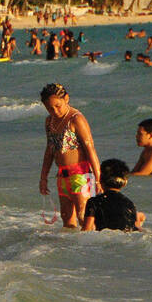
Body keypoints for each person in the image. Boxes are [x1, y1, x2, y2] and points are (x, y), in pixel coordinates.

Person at [39, 83, 102, 228]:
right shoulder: (49, 121)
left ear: (66, 99)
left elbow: (90, 148)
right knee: (66, 218)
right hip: (62, 175)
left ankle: (92, 247)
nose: (54, 111)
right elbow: (49, 150)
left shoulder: (75, 119)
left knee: (84, 216)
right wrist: (43, 177)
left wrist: (98, 180)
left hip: (81, 174)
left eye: (57, 106)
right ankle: (71, 249)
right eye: (49, 108)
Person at [81, 159, 144, 232]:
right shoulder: (129, 203)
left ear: (100, 180)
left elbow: (86, 230)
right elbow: (135, 227)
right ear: (124, 183)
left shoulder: (93, 201)